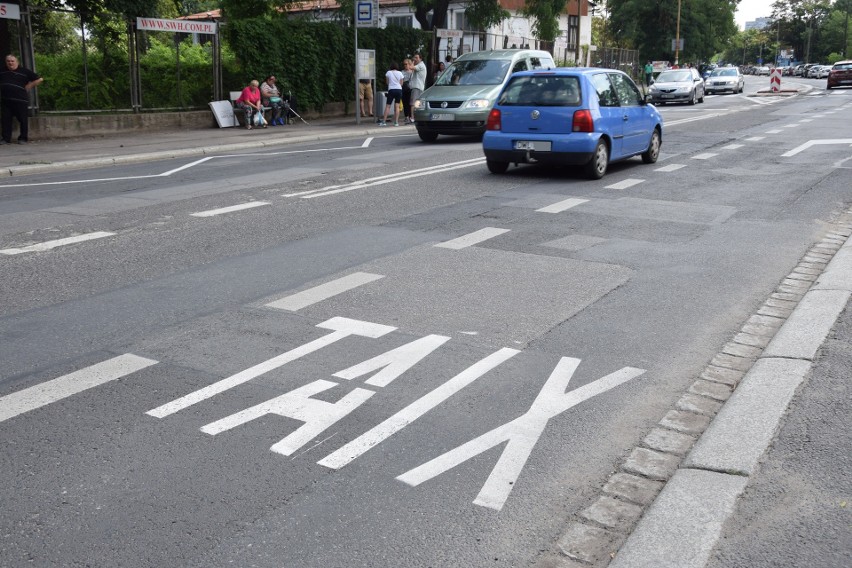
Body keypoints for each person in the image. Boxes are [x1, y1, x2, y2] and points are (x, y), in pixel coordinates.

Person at [0, 55, 43, 145]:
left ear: (17, 62)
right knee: (6, 120)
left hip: (20, 101)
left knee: (23, 120)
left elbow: (39, 79)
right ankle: (6, 138)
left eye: (12, 61)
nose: (10, 63)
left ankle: (23, 138)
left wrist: (29, 86)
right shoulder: (2, 71)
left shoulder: (24, 71)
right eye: (8, 61)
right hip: (6, 100)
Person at [380, 62, 404, 127]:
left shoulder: (388, 73)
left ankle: (384, 121)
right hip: (399, 90)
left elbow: (387, 82)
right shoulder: (400, 73)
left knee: (388, 106)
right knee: (397, 106)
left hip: (391, 90)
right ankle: (396, 122)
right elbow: (401, 83)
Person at [409, 52, 427, 123]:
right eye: (414, 57)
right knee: (417, 103)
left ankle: (413, 118)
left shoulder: (420, 65)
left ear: (420, 58)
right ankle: (417, 118)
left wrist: (412, 62)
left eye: (416, 58)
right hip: (419, 87)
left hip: (417, 87)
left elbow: (411, 68)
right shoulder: (420, 65)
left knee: (413, 103)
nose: (415, 59)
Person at [401, 58, 413, 124]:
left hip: (410, 88)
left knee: (410, 103)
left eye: (406, 64)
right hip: (404, 88)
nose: (405, 65)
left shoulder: (412, 72)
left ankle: (411, 116)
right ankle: (406, 116)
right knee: (404, 103)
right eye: (404, 64)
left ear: (409, 64)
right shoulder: (402, 72)